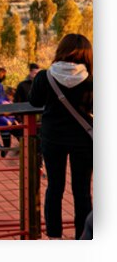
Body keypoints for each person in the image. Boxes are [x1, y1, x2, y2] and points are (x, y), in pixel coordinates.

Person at [29, 33, 93, 240]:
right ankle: (82, 236)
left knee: (54, 187)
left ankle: (54, 236)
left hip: (52, 137)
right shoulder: (93, 80)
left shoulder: (44, 77)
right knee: (82, 190)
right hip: (84, 140)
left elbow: (34, 102)